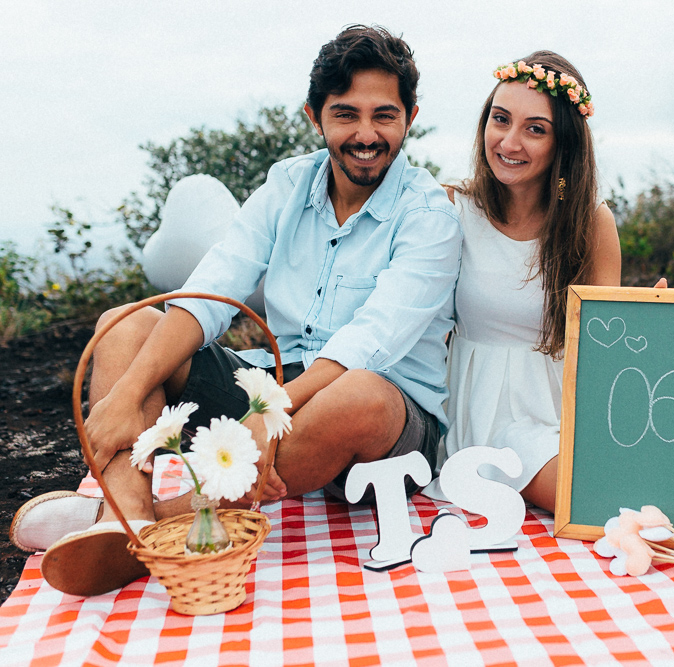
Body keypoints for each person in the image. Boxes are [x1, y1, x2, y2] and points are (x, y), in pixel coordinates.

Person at [9, 25, 462, 596]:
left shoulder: (428, 215)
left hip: (383, 420)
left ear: (410, 117)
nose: (366, 134)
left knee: (361, 393)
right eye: (346, 114)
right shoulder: (288, 184)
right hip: (285, 382)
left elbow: (374, 336)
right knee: (124, 326)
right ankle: (125, 516)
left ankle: (166, 515)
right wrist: (126, 394)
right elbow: (213, 287)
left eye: (384, 116)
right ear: (314, 116)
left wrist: (271, 406)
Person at [423, 52, 621, 513]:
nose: (509, 142)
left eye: (535, 128)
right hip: (473, 414)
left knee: (608, 493)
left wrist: (646, 325)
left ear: (563, 144)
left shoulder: (592, 222)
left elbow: (604, 352)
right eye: (500, 119)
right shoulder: (452, 206)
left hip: (555, 416)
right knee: (592, 499)